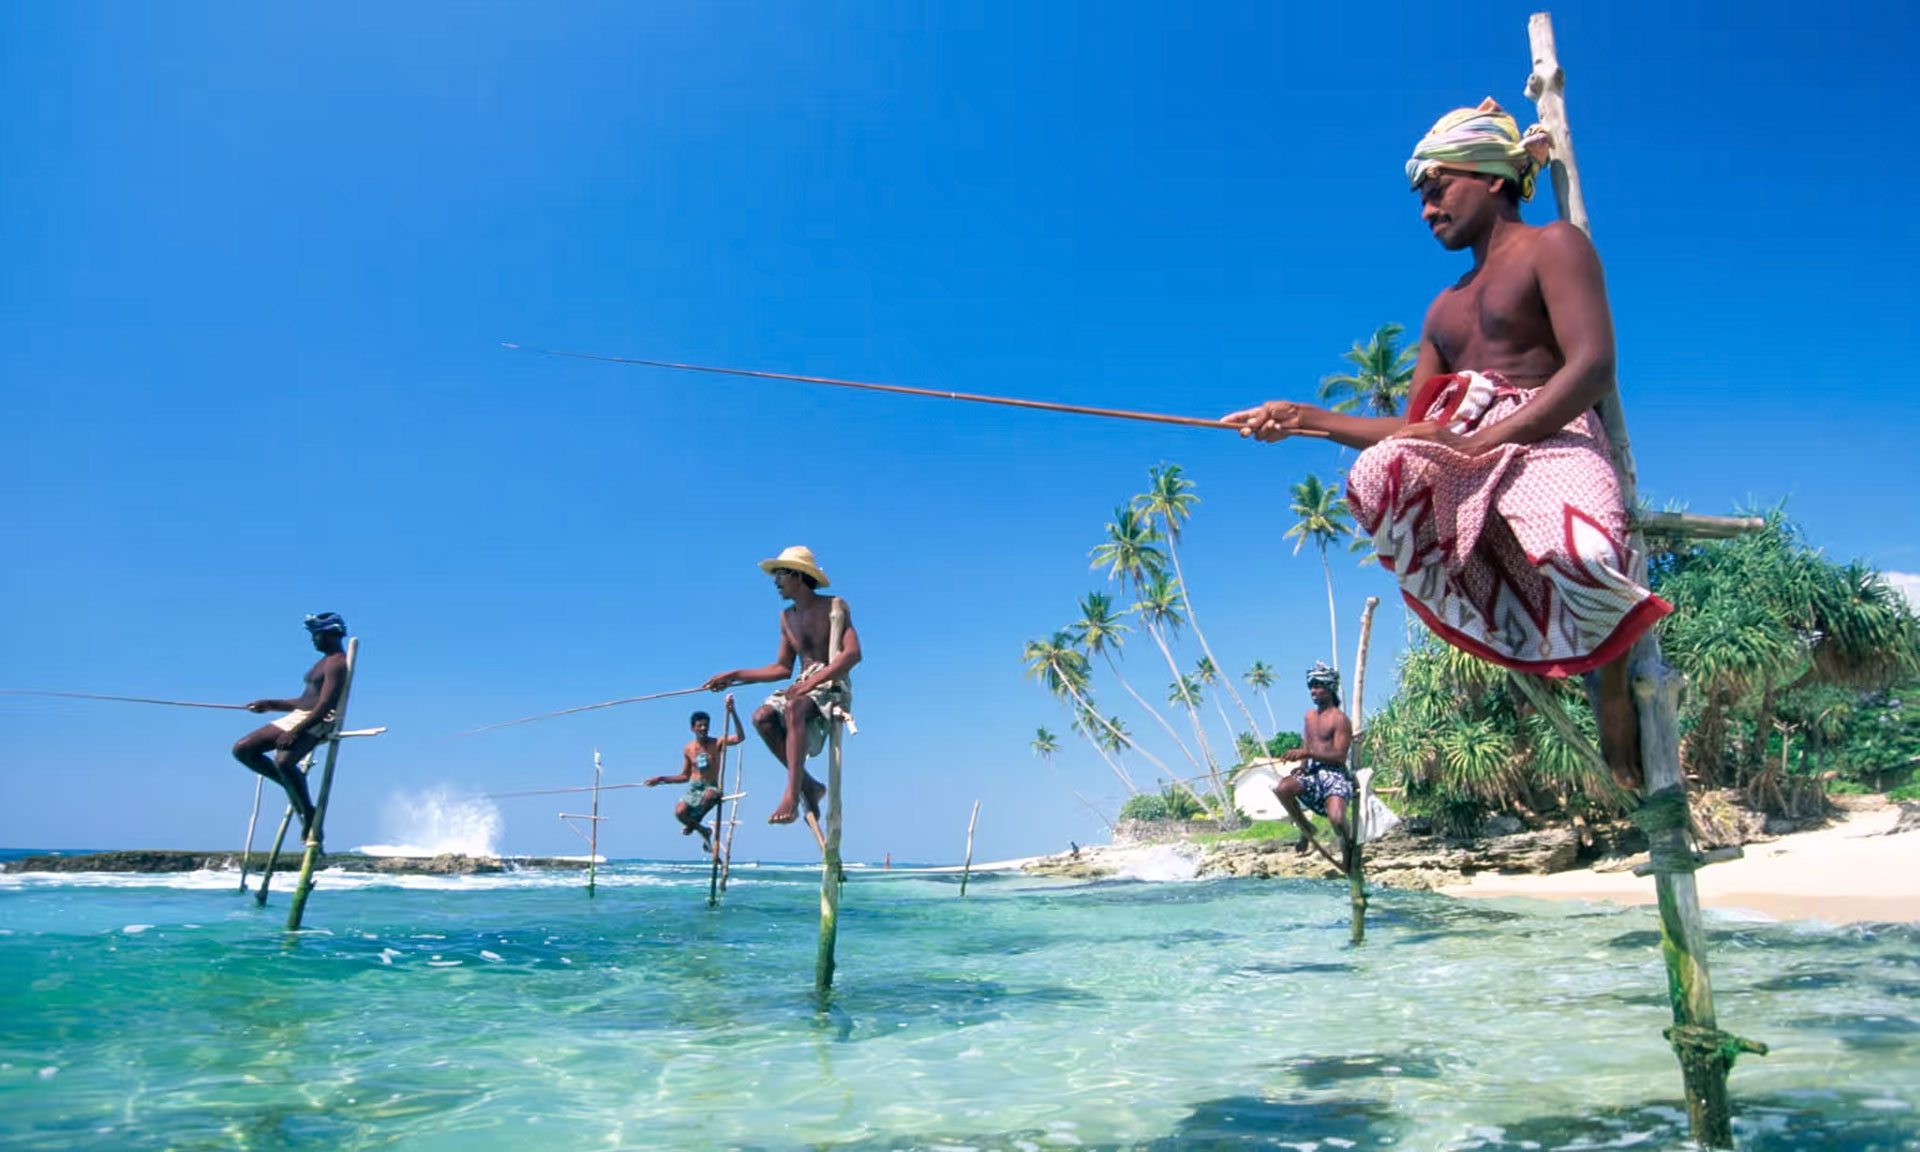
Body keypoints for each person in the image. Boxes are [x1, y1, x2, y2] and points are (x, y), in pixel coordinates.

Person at [1223, 99, 1669, 790]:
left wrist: (1487, 438)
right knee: (1380, 469)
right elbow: (1410, 428)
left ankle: (1608, 677)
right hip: (1466, 451)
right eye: (1422, 198)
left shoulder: (1556, 246)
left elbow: (1593, 367)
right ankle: (1497, 594)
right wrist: (1304, 417)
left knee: (1583, 553)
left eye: (1438, 189)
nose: (1428, 209)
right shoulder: (1442, 308)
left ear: (1493, 177)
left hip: (1551, 434)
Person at [703, 546, 863, 827]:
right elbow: (782, 669)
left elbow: (852, 654)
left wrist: (813, 682)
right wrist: (734, 674)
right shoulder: (786, 617)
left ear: (797, 575)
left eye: (779, 575)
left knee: (794, 706)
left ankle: (791, 793)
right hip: (802, 685)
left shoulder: (835, 606)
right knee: (761, 717)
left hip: (831, 683)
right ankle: (808, 784)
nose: (775, 582)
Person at [232, 613, 349, 837]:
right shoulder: (323, 662)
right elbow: (306, 701)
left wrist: (296, 731)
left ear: (331, 634)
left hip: (317, 719)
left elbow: (325, 704)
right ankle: (294, 789)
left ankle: (307, 810)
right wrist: (271, 704)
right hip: (301, 714)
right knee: (243, 749)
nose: (313, 640)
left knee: (284, 762)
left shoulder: (337, 663)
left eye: (316, 635)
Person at [1273, 663, 1354, 867]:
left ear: (1329, 688)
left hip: (1336, 775)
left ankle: (1348, 844)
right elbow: (1308, 743)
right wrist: (1302, 764)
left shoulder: (1341, 720)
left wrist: (1307, 753)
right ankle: (1306, 828)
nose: (1313, 691)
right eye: (1311, 686)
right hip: (1314, 773)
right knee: (1283, 788)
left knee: (1336, 819)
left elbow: (1339, 756)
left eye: (1318, 686)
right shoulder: (1310, 716)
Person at [644, 696, 744, 853]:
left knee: (710, 796)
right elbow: (684, 776)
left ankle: (693, 825)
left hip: (710, 787)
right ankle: (702, 830)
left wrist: (732, 712)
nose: (704, 728)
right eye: (700, 726)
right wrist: (661, 779)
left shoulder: (716, 742)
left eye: (706, 725)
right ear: (693, 728)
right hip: (694, 788)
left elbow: (740, 737)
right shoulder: (688, 749)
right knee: (680, 812)